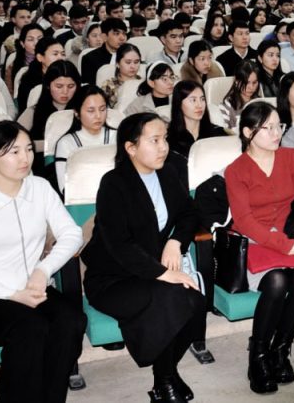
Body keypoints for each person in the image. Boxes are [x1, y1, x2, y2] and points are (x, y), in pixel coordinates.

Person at [0, 120, 86, 403]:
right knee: (31, 329)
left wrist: (43, 270)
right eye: (13, 152)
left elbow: (72, 234)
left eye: (28, 149)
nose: (25, 158)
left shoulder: (40, 188)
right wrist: (13, 294)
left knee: (71, 320)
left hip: (33, 288)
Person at [82, 113, 204, 402]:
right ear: (131, 147)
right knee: (172, 297)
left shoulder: (168, 172)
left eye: (165, 139)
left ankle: (166, 373)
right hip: (113, 278)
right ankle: (165, 380)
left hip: (151, 272)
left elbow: (190, 213)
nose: (163, 147)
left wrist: (175, 241)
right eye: (155, 140)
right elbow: (119, 245)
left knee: (197, 302)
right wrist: (165, 273)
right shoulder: (114, 184)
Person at [225, 102, 294, 394]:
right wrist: (286, 245)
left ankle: (281, 349)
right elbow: (244, 221)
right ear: (248, 132)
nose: (276, 133)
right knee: (277, 281)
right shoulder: (236, 170)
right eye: (267, 127)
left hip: (285, 240)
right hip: (255, 242)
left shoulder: (293, 158)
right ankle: (257, 355)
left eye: (278, 126)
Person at [52, 85, 116, 193]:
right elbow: (64, 188)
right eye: (91, 111)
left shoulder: (118, 137)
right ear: (77, 113)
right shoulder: (67, 143)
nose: (98, 116)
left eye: (102, 109)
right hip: (80, 199)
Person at [17, 60, 80, 141]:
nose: (65, 91)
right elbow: (14, 140)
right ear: (48, 85)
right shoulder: (33, 112)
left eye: (70, 86)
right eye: (59, 86)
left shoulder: (82, 111)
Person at [81, 18, 128, 85]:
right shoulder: (90, 58)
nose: (122, 38)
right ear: (104, 37)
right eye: (116, 34)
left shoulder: (131, 56)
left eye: (124, 34)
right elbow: (89, 87)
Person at [218, 61, 261, 131]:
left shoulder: (261, 102)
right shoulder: (226, 106)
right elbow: (225, 133)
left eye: (254, 82)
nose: (251, 87)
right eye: (247, 83)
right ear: (236, 81)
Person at [100, 43, 143, 109]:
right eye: (128, 62)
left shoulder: (144, 82)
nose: (133, 66)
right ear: (117, 64)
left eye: (136, 62)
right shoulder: (109, 86)